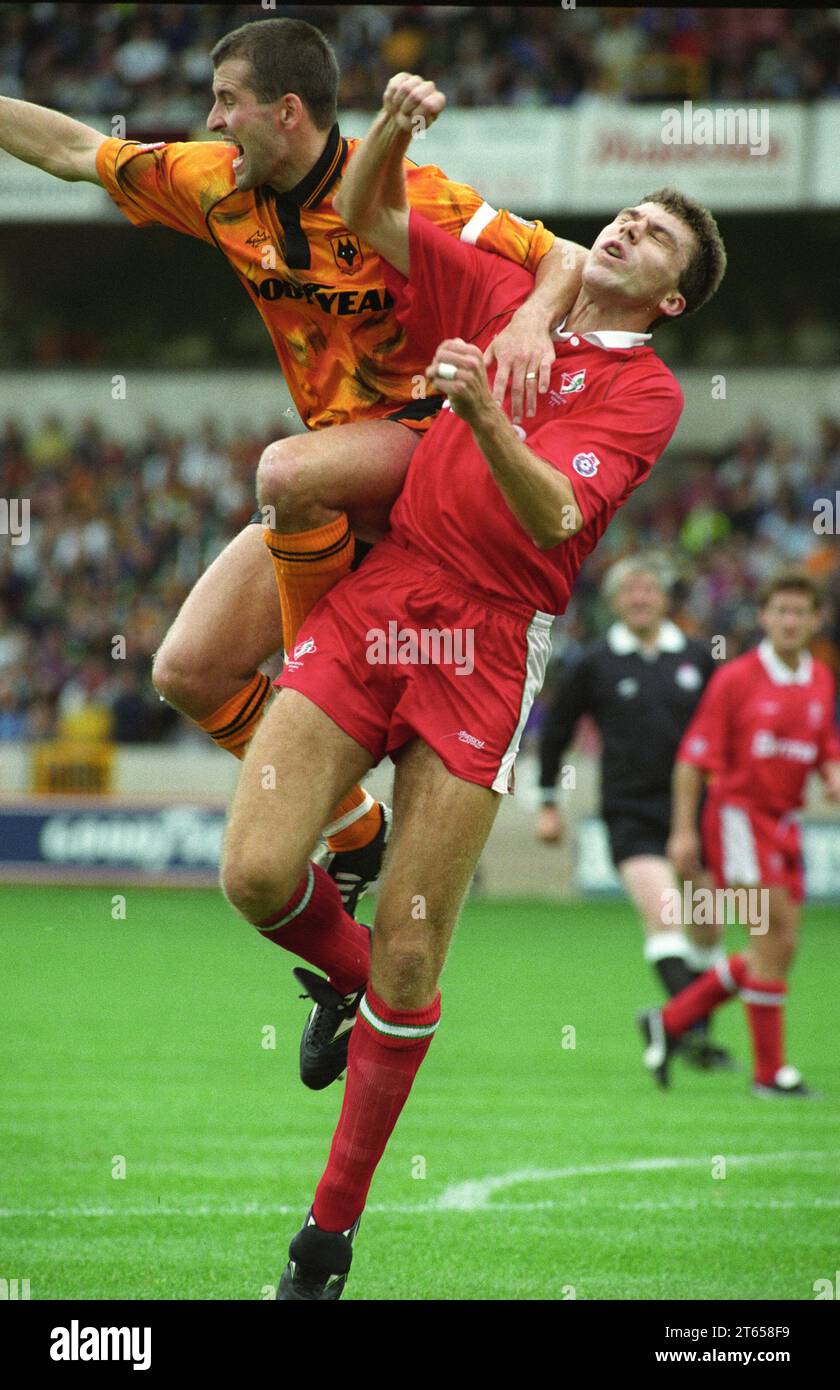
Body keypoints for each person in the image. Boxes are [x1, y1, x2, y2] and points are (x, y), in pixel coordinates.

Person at [219, 73, 727, 1298]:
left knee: (412, 957)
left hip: (493, 640)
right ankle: (342, 982)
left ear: (667, 298)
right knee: (252, 872)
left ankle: (325, 1240)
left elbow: (554, 513)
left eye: (655, 236)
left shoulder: (645, 392)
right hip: (389, 600)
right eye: (629, 213)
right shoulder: (508, 285)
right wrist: (394, 123)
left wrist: (479, 408)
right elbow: (367, 210)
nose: (627, 229)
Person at [0, 17, 586, 913]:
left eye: (226, 101)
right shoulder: (214, 185)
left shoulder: (402, 192)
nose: (212, 119)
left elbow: (564, 260)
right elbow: (77, 149)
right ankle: (356, 828)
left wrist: (529, 322)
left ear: (285, 111)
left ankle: (323, 687)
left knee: (285, 473)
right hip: (338, 465)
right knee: (186, 673)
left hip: (430, 443)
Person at [640, 572, 840, 1097]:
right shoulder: (736, 679)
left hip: (786, 823)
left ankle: (672, 1019)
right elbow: (692, 759)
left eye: (801, 613)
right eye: (781, 612)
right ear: (764, 618)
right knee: (770, 935)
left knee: (780, 947)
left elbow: (824, 745)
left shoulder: (820, 677)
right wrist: (683, 831)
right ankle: (769, 1074)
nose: (791, 621)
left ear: (816, 620)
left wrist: (832, 770)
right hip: (738, 819)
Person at [537, 554, 734, 1069]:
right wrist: (548, 803)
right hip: (629, 811)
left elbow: (726, 729)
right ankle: (688, 1031)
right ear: (615, 602)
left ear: (665, 598)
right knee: (665, 914)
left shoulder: (697, 656)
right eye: (631, 592)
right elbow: (556, 732)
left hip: (699, 812)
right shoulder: (595, 662)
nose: (641, 599)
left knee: (707, 926)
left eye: (649, 590)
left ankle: (687, 1033)